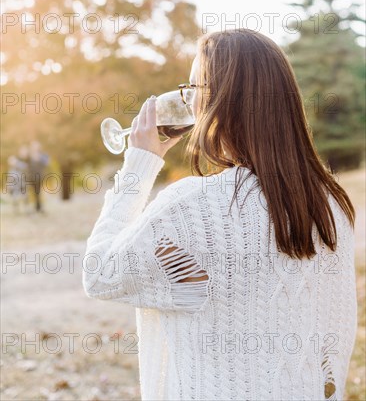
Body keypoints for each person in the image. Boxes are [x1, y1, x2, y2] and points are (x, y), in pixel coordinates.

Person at [83, 28, 357, 401]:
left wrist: (139, 164)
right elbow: (331, 335)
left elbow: (100, 274)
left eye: (194, 88)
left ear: (219, 101)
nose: (188, 101)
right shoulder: (330, 205)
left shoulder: (189, 206)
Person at [28, 141, 49, 213]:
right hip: (30, 177)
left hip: (39, 177)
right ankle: (35, 206)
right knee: (32, 193)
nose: (35, 148)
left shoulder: (43, 155)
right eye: (33, 146)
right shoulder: (29, 155)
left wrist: (39, 158)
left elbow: (46, 163)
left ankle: (39, 207)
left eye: (36, 146)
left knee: (38, 192)